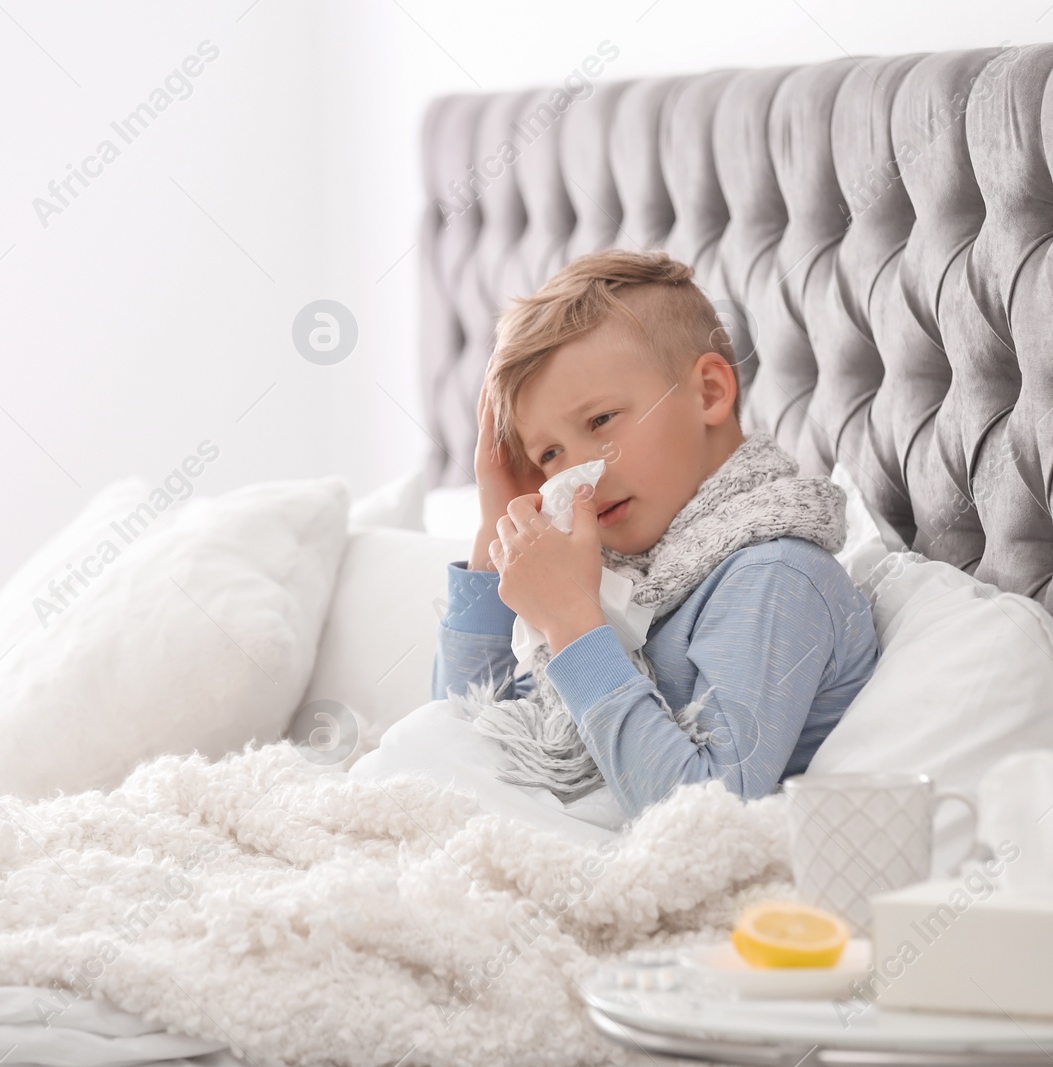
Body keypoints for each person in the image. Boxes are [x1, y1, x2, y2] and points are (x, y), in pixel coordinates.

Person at [355, 250, 880, 837]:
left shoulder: (776, 577)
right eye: (549, 455)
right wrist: (496, 520)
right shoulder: (617, 573)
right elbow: (469, 728)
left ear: (708, 392)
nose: (578, 473)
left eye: (601, 421)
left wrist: (575, 624)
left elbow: (703, 819)